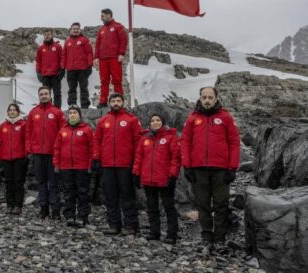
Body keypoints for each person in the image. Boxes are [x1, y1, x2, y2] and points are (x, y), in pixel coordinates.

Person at [181, 87, 240, 255]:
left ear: (216, 99)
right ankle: (206, 238)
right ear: (200, 98)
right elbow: (185, 142)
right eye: (204, 97)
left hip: (221, 169)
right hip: (199, 170)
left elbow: (234, 143)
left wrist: (232, 168)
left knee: (221, 204)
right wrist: (187, 166)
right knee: (203, 205)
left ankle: (220, 239)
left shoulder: (225, 117)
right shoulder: (193, 118)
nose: (207, 100)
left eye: (210, 97)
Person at [93, 93, 142, 235]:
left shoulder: (131, 120)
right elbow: (97, 141)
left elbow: (138, 142)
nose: (116, 103)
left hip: (125, 164)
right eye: (113, 101)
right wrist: (97, 158)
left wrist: (136, 163)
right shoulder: (103, 121)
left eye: (118, 101)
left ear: (123, 102)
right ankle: (114, 224)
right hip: (108, 164)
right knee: (111, 196)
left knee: (127, 195)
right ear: (109, 103)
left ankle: (131, 225)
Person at [132, 114, 180, 244]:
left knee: (169, 207)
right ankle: (155, 232)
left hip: (165, 179)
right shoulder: (145, 139)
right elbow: (138, 158)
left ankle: (172, 234)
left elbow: (175, 159)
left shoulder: (171, 138)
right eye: (153, 120)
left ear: (163, 122)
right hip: (148, 179)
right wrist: (136, 174)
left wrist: (173, 176)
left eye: (158, 120)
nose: (155, 122)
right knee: (152, 207)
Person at [25, 86, 66, 220]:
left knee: (54, 183)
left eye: (46, 94)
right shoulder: (33, 112)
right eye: (41, 94)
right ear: (38, 96)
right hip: (37, 154)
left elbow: (63, 133)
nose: (44, 96)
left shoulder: (57, 112)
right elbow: (28, 132)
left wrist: (59, 150)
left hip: (52, 154)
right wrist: (29, 149)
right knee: (41, 182)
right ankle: (43, 209)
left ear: (50, 95)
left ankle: (55, 210)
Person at [53, 106, 95, 227]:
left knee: (82, 193)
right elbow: (57, 148)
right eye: (70, 113)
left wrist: (90, 165)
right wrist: (56, 164)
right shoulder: (63, 130)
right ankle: (70, 216)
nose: (72, 115)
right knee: (68, 192)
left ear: (79, 115)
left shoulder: (86, 129)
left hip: (81, 167)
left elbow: (92, 148)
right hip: (66, 167)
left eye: (75, 113)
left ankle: (83, 216)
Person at [0, 103, 28, 215]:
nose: (12, 112)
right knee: (9, 183)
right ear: (7, 112)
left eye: (14, 110)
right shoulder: (3, 126)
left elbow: (26, 141)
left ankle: (18, 206)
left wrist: (26, 155)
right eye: (10, 110)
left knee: (18, 182)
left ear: (18, 112)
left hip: (19, 159)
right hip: (6, 159)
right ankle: (10, 205)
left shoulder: (23, 124)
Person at [94, 9, 128, 108]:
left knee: (117, 80)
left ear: (109, 15)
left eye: (103, 15)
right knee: (104, 80)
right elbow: (97, 44)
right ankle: (103, 102)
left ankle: (119, 101)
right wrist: (96, 57)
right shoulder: (101, 30)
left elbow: (123, 40)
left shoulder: (118, 26)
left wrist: (121, 53)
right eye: (101, 15)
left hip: (114, 58)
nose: (101, 17)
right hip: (103, 59)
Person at [63, 22, 94, 109]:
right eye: (74, 29)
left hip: (83, 69)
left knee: (83, 88)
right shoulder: (67, 42)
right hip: (70, 70)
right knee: (72, 89)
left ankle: (85, 106)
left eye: (77, 29)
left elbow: (89, 53)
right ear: (71, 30)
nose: (75, 30)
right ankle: (72, 106)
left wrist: (89, 66)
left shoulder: (85, 40)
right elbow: (64, 55)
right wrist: (63, 67)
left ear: (80, 30)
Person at [35, 29, 65, 108]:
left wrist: (62, 69)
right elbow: (38, 61)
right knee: (45, 94)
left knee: (57, 94)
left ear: (52, 35)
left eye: (49, 34)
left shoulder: (58, 46)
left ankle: (57, 110)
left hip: (56, 74)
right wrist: (38, 72)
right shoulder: (41, 48)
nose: (47, 36)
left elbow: (62, 58)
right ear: (44, 36)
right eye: (45, 35)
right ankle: (47, 109)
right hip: (45, 75)